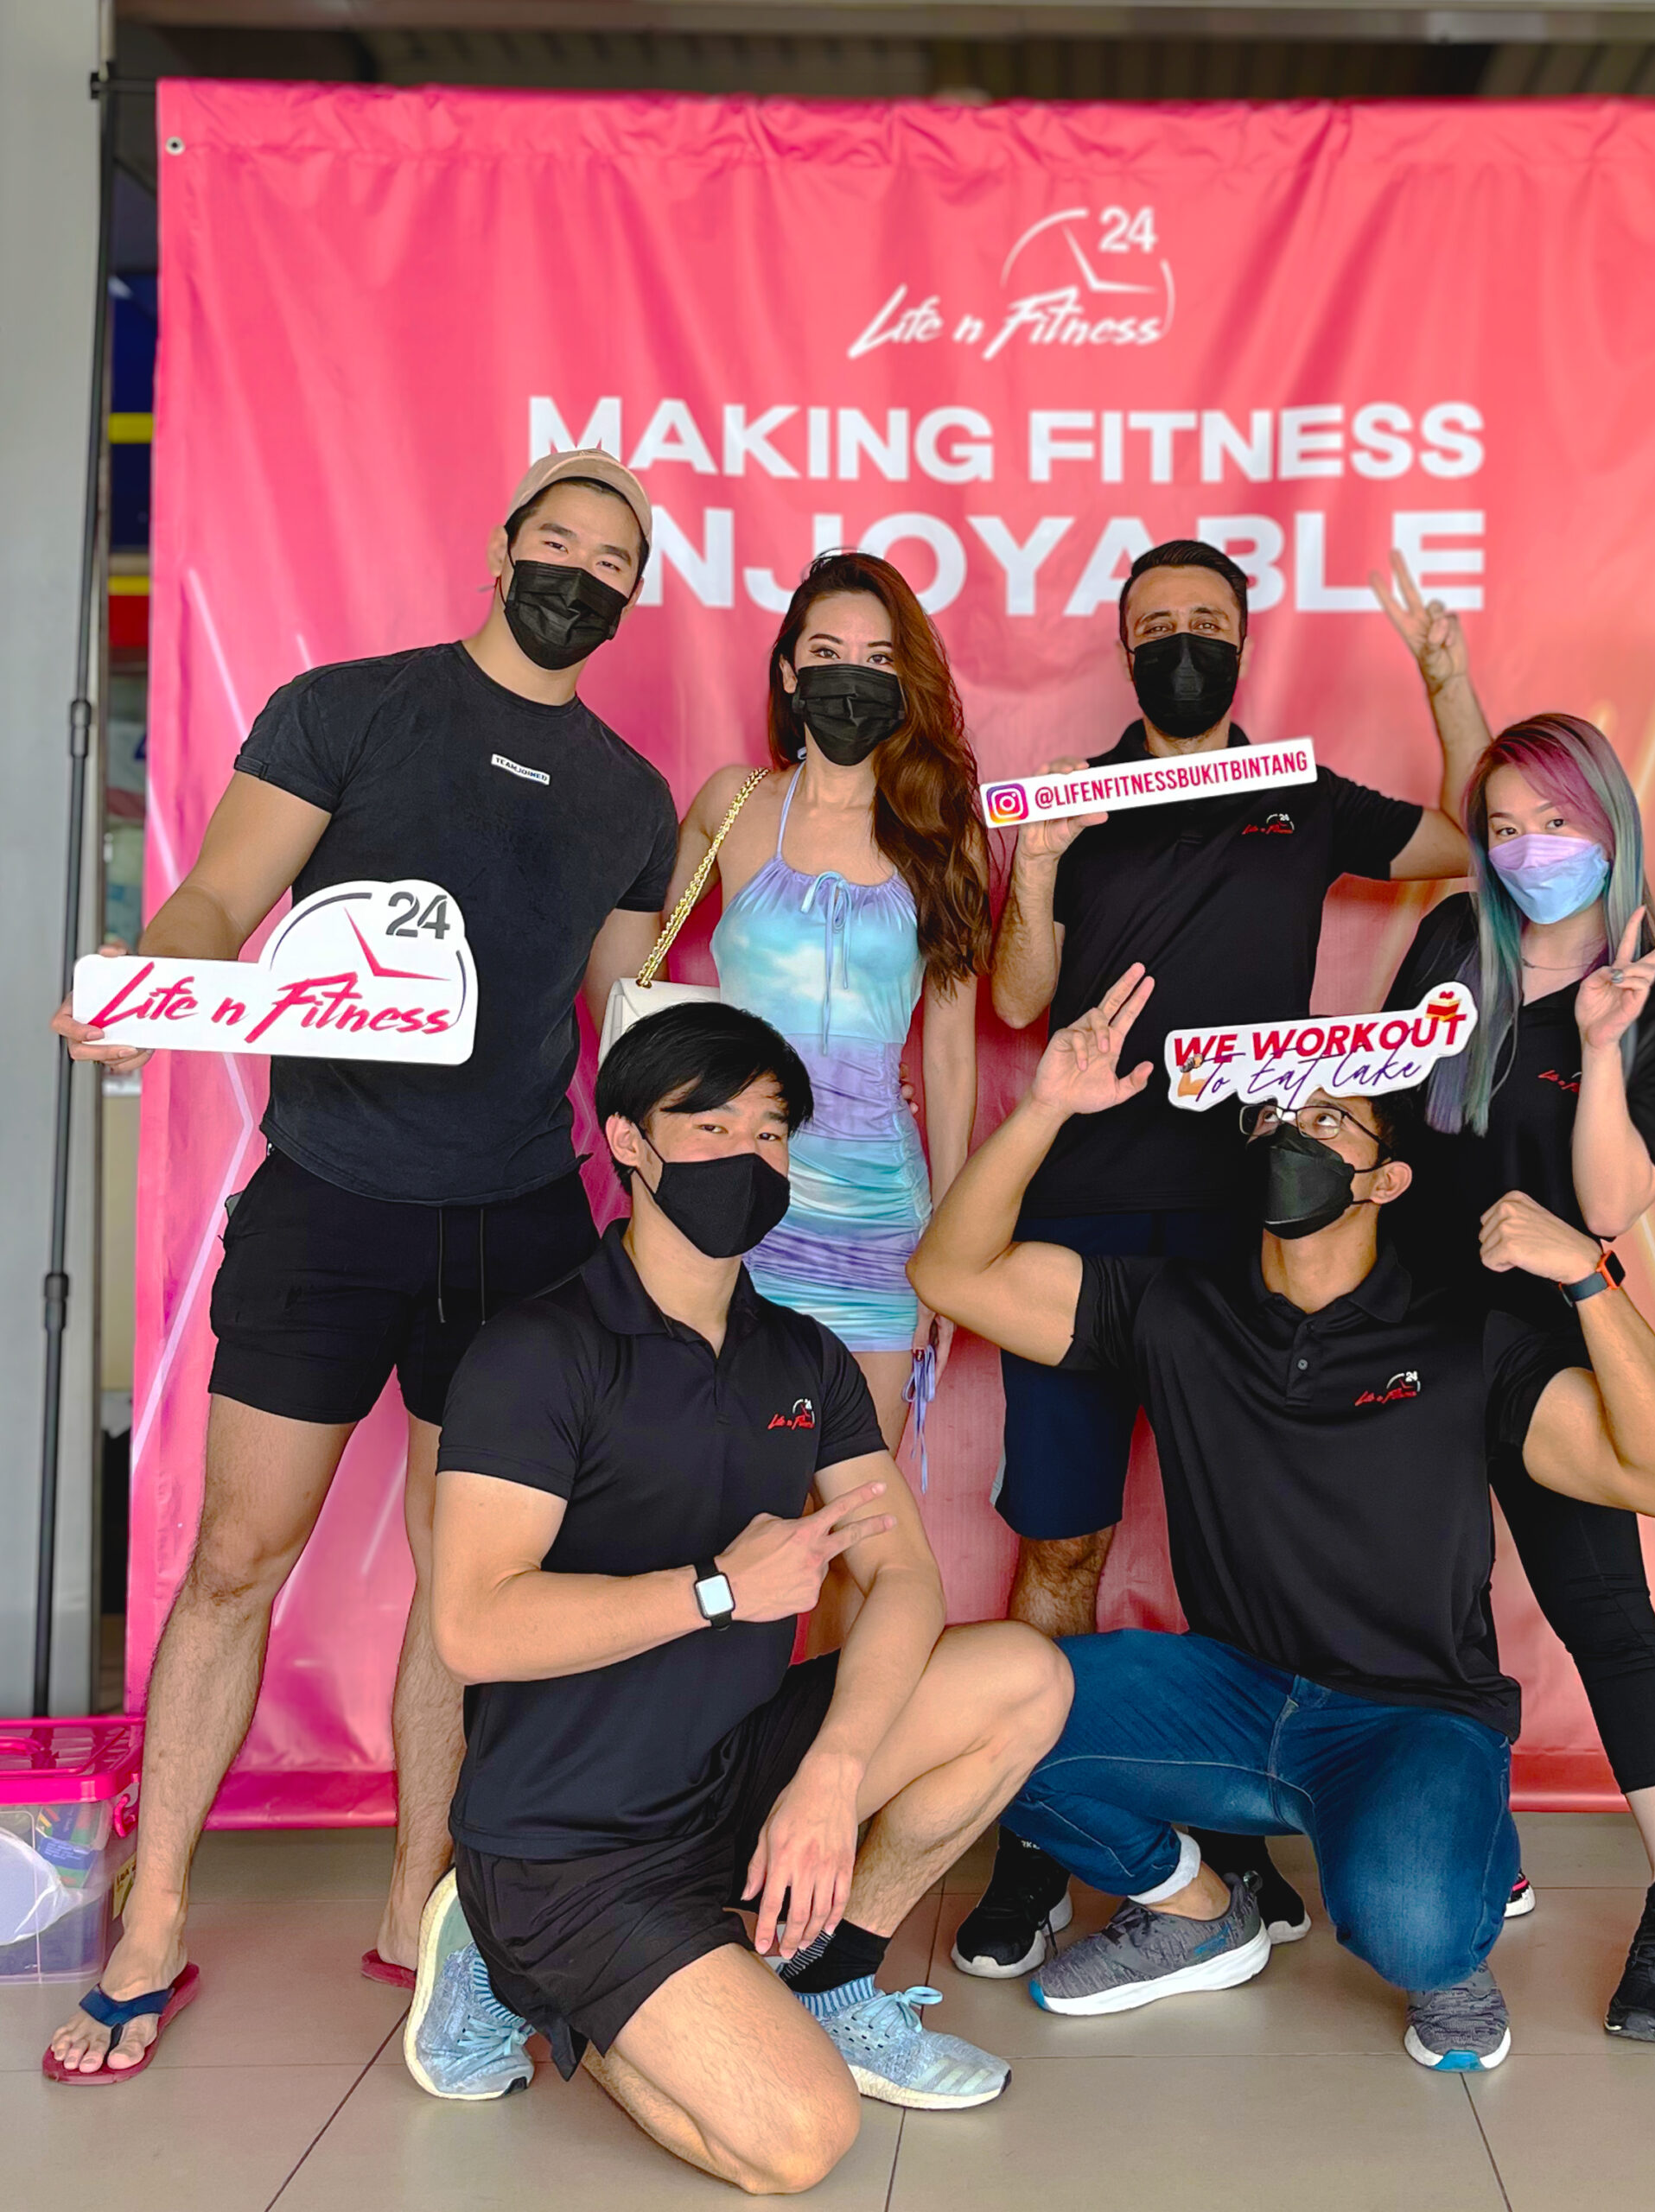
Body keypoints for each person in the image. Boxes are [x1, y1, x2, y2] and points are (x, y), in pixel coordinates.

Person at [45, 450, 682, 2082]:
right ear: (503, 547)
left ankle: (419, 1914)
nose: (581, 573)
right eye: (559, 540)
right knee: (236, 1562)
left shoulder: (630, 797)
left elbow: (622, 1026)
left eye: (614, 560)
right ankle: (154, 1919)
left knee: (469, 1593)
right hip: (329, 1204)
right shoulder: (350, 709)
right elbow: (215, 900)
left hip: (524, 1227)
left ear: (633, 597)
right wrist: (151, 991)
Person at [909, 969, 1655, 2071]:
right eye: (1272, 1115)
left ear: (1385, 1177)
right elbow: (948, 1271)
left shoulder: (1465, 1336)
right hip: (1231, 1694)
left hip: (1412, 1712)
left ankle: (1449, 1875)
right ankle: (1197, 1911)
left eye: (1328, 1117)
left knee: (1413, 1929)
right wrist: (1044, 1105)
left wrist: (1587, 1274)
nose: (1290, 1131)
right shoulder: (1175, 1304)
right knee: (968, 1718)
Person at [404, 1004, 1070, 2191]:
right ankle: (520, 1969)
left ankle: (823, 1978)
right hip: (572, 1838)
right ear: (629, 1141)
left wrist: (832, 1775)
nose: (746, 1155)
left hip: (733, 1772)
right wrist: (715, 1590)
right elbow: (472, 1625)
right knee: (800, 2142)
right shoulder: (537, 1353)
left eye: (768, 1133)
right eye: (707, 1126)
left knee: (1023, 1674)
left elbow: (904, 1574)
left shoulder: (800, 1357)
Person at [961, 539, 1490, 1975]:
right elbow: (1015, 999)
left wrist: (1446, 681)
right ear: (1124, 647)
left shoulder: (1300, 792)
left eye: (1207, 619)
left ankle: (1239, 1825)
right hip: (1082, 1218)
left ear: (1244, 645)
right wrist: (1041, 867)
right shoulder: (1073, 799)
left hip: (1251, 1228)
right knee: (1063, 1539)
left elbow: (1475, 840)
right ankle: (1032, 1843)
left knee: (1254, 1554)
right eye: (1158, 622)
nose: (1182, 637)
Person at [1384, 701, 1655, 2041]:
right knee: (1426, 1601)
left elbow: (1612, 1205)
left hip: (1546, 1329)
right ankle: (1478, 1839)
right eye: (1506, 827)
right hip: (1405, 1324)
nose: (1532, 849)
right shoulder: (1450, 946)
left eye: (1557, 821)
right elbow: (1392, 1111)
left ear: (1609, 825)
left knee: (1602, 1605)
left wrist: (1595, 1044)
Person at [674, 550, 988, 1452]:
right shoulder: (731, 805)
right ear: (789, 671)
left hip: (880, 1220)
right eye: (827, 651)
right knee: (725, 1490)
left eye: (879, 657)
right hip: (730, 1200)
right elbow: (640, 959)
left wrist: (948, 1248)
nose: (853, 674)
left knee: (858, 1504)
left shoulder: (942, 832)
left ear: (906, 678)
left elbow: (950, 1053)